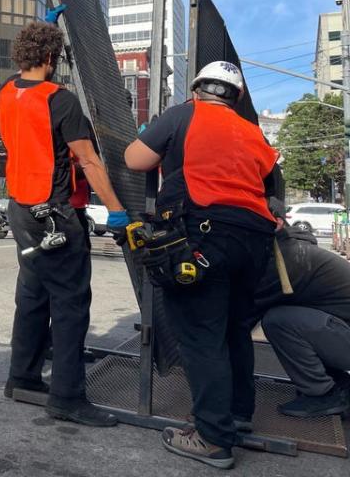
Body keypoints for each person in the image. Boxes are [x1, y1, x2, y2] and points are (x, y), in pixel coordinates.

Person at [125, 61, 279, 469]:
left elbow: (135, 160)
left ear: (196, 91)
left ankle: (212, 437)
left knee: (201, 335)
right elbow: (269, 183)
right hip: (255, 241)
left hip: (204, 236)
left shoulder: (182, 115)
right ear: (238, 98)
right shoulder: (252, 132)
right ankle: (238, 415)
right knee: (235, 330)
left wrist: (155, 141)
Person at [0, 21, 129, 427]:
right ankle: (68, 397)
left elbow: (26, 79)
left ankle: (22, 376)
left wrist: (47, 29)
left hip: (20, 209)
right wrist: (117, 210)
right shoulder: (61, 101)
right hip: (53, 212)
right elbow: (88, 160)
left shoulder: (6, 91)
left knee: (33, 294)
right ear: (53, 59)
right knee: (71, 303)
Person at [249, 208, 350, 418]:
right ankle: (340, 384)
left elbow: (245, 315)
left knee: (278, 321)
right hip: (340, 326)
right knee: (288, 317)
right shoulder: (292, 247)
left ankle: (323, 394)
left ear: (275, 224)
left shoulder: (286, 259)